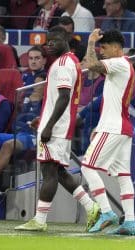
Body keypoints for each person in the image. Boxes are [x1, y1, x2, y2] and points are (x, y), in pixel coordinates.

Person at [15, 26, 100, 232]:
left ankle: (40, 220)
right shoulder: (69, 61)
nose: (49, 45)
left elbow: (63, 98)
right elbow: (58, 99)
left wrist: (49, 126)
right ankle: (92, 207)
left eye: (54, 41)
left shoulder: (63, 64)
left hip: (57, 126)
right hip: (60, 124)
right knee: (59, 172)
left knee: (49, 171)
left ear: (65, 39)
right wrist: (43, 120)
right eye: (48, 42)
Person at [81, 29, 135, 236]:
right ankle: (130, 222)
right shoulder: (123, 66)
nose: (101, 51)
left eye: (104, 47)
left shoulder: (120, 63)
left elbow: (91, 65)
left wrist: (90, 43)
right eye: (99, 48)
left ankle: (106, 212)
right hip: (122, 127)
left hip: (113, 127)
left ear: (116, 47)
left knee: (87, 168)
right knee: (123, 176)